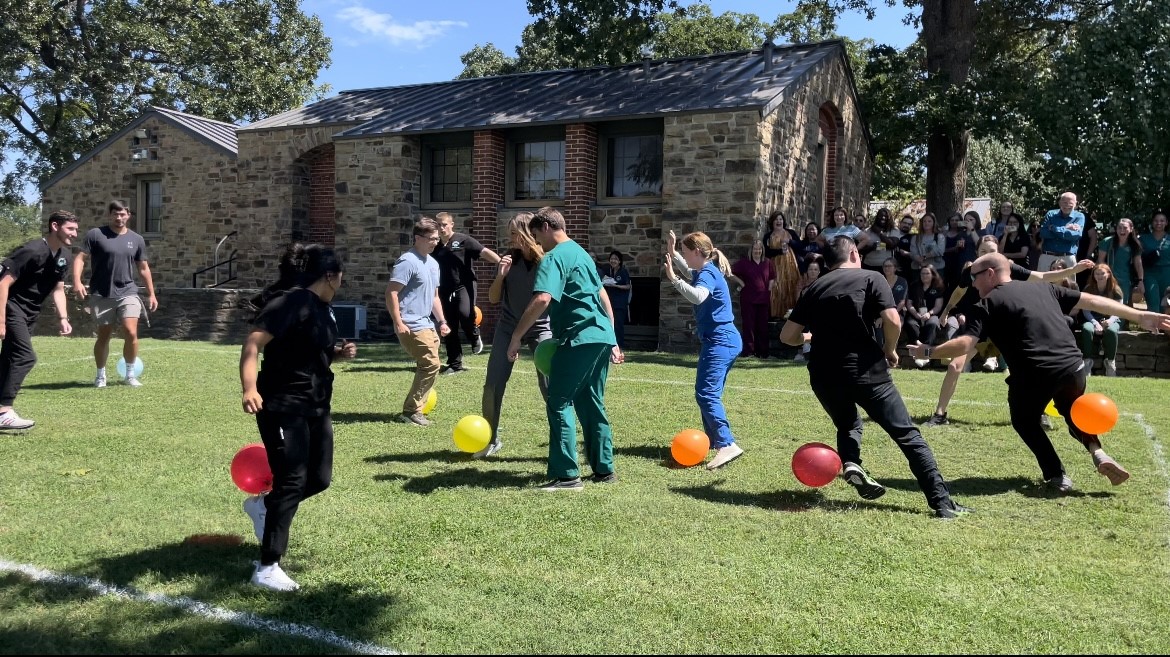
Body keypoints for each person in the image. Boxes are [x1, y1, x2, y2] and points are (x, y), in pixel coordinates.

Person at [910, 252, 1170, 492]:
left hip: (1034, 375)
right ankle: (1096, 451)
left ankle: (1057, 475)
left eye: (974, 278)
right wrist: (1139, 316)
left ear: (990, 273)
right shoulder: (1044, 288)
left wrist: (928, 352)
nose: (973, 285)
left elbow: (965, 343)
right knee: (1072, 409)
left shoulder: (986, 303)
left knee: (1024, 420)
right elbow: (1093, 300)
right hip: (1073, 368)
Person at [779, 235, 969, 519]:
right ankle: (942, 503)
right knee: (906, 434)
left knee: (848, 424)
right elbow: (894, 320)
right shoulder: (871, 277)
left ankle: (852, 462)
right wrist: (890, 350)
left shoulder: (814, 288)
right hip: (866, 371)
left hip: (823, 374)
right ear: (855, 254)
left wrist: (810, 334)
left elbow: (787, 337)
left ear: (828, 263)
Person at [239, 243, 358, 592]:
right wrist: (249, 388)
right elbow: (252, 344)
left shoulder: (324, 308)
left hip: (316, 403)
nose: (342, 278)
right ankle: (266, 567)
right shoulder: (290, 302)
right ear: (330, 276)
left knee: (319, 478)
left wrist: (337, 353)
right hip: (280, 404)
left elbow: (309, 353)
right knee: (291, 479)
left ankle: (264, 506)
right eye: (340, 273)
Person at [507, 207, 624, 491]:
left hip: (578, 337)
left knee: (559, 400)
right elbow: (601, 294)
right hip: (600, 336)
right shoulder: (582, 254)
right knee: (590, 401)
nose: (537, 242)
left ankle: (567, 476)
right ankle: (604, 470)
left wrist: (516, 336)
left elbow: (543, 298)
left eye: (537, 235)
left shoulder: (554, 258)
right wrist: (612, 335)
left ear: (546, 227)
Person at [922, 237, 1092, 427]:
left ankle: (1040, 413)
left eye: (992, 251)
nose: (988, 255)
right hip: (982, 329)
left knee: (1031, 370)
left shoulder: (1009, 268)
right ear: (977, 254)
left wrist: (1072, 271)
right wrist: (946, 311)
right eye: (983, 251)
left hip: (1010, 329)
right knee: (955, 366)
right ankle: (940, 414)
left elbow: (1042, 277)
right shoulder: (971, 272)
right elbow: (959, 292)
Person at [665, 230, 745, 470]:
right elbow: (691, 272)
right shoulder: (705, 270)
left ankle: (726, 444)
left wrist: (673, 279)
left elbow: (698, 296)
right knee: (707, 392)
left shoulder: (708, 272)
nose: (686, 258)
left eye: (687, 252)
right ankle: (713, 442)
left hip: (721, 341)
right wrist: (673, 253)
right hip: (723, 340)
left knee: (706, 393)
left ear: (697, 252)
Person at [478, 213, 552, 459]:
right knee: (493, 383)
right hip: (508, 327)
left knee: (550, 384)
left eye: (512, 233)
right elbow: (492, 298)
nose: (509, 238)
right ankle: (490, 439)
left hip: (541, 328)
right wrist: (500, 275)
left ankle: (559, 439)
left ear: (527, 234)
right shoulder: (509, 259)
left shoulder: (547, 261)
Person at [0, 211, 78, 430]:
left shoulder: (65, 256)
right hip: (11, 307)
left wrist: (63, 317)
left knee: (8, 358)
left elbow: (58, 288)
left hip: (30, 312)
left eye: (75, 229)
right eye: (70, 229)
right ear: (55, 226)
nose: (74, 234)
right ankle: (5, 410)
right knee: (25, 357)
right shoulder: (32, 250)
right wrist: (1, 321)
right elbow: (3, 283)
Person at [72, 200, 158, 388]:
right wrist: (77, 281)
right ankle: (100, 375)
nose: (119, 217)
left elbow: (143, 268)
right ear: (109, 215)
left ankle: (129, 375)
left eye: (122, 214)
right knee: (104, 335)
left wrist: (151, 294)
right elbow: (80, 258)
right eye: (115, 214)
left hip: (128, 291)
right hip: (101, 293)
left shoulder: (136, 239)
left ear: (128, 215)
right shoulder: (96, 235)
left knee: (131, 331)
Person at [387, 218, 451, 426]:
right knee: (431, 364)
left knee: (430, 365)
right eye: (431, 238)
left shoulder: (433, 264)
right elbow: (392, 293)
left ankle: (416, 409)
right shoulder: (407, 261)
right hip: (410, 323)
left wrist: (442, 321)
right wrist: (399, 322)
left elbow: (434, 297)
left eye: (437, 238)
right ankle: (411, 411)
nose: (435, 242)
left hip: (427, 324)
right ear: (418, 238)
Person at [432, 212, 500, 375]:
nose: (441, 228)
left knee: (465, 313)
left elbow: (483, 252)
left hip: (464, 286)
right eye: (439, 225)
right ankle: (455, 364)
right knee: (448, 326)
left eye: (444, 225)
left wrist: (500, 262)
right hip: (443, 289)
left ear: (451, 224)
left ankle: (474, 335)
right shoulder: (435, 246)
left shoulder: (463, 240)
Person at [729, 239, 775, 358]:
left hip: (763, 299)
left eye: (759, 249)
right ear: (751, 250)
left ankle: (763, 352)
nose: (757, 251)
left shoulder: (767, 262)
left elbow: (772, 277)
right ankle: (749, 352)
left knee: (763, 326)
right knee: (749, 326)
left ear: (762, 250)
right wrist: (741, 283)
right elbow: (729, 272)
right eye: (755, 249)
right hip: (748, 299)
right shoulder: (744, 263)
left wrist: (769, 290)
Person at [1079, 264, 1123, 377]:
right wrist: (1095, 323)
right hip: (1092, 318)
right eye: (1097, 274)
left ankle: (1110, 362)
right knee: (1086, 329)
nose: (1099, 276)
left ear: (1108, 274)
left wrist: (1110, 321)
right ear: (1093, 275)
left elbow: (1120, 310)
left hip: (1112, 318)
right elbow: (1085, 310)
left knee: (1112, 331)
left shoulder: (1116, 290)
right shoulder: (1088, 289)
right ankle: (1087, 361)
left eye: (1102, 273)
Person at [1096, 217, 1144, 308]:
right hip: (1108, 277)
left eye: (1125, 228)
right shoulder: (1107, 242)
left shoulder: (1134, 245)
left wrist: (1140, 280)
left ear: (1131, 229)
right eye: (1119, 227)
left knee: (1122, 304)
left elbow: (1138, 263)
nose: (1122, 230)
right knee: (1107, 303)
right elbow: (1100, 261)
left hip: (1125, 279)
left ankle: (1120, 322)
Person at [762, 210, 800, 318]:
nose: (778, 221)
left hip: (790, 265)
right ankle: (776, 315)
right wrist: (779, 251)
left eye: (780, 219)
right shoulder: (768, 236)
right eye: (776, 219)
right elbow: (766, 252)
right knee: (776, 288)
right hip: (775, 265)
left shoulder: (790, 233)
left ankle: (791, 315)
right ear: (772, 222)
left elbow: (800, 246)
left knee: (790, 287)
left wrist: (790, 241)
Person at [1037, 192, 1085, 273]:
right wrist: (1066, 229)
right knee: (1042, 285)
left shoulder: (1079, 216)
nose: (1067, 205)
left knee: (1068, 285)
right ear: (1059, 202)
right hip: (1047, 256)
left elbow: (1075, 235)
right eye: (1064, 202)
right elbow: (1043, 233)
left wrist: (1054, 228)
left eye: (1070, 203)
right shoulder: (1050, 214)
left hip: (1068, 257)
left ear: (1076, 204)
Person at [598, 250, 632, 349]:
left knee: (618, 324)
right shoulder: (609, 271)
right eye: (612, 259)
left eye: (616, 259)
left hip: (620, 303)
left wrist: (616, 286)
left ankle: (619, 345)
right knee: (609, 323)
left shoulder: (623, 271)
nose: (613, 261)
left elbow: (627, 286)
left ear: (620, 261)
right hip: (610, 302)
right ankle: (610, 344)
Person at [1139, 210, 1170, 314]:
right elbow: (1138, 258)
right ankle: (1153, 328)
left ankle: (1164, 328)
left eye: (1162, 221)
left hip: (1167, 273)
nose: (1159, 223)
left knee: (1165, 303)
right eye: (1156, 220)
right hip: (1150, 273)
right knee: (1153, 301)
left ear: (1166, 222)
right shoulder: (1144, 238)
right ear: (1152, 222)